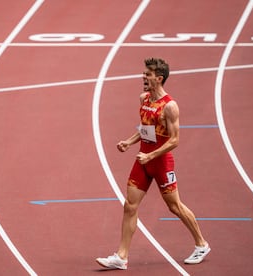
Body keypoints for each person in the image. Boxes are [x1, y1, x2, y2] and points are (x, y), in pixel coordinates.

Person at [96, 58, 210, 270]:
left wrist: (151, 156)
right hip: (143, 160)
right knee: (130, 206)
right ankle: (121, 256)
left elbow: (174, 140)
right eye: (144, 73)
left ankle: (201, 244)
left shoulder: (170, 106)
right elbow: (145, 128)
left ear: (159, 78)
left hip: (161, 163)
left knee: (174, 206)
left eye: (148, 75)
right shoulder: (144, 99)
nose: (143, 77)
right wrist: (128, 142)